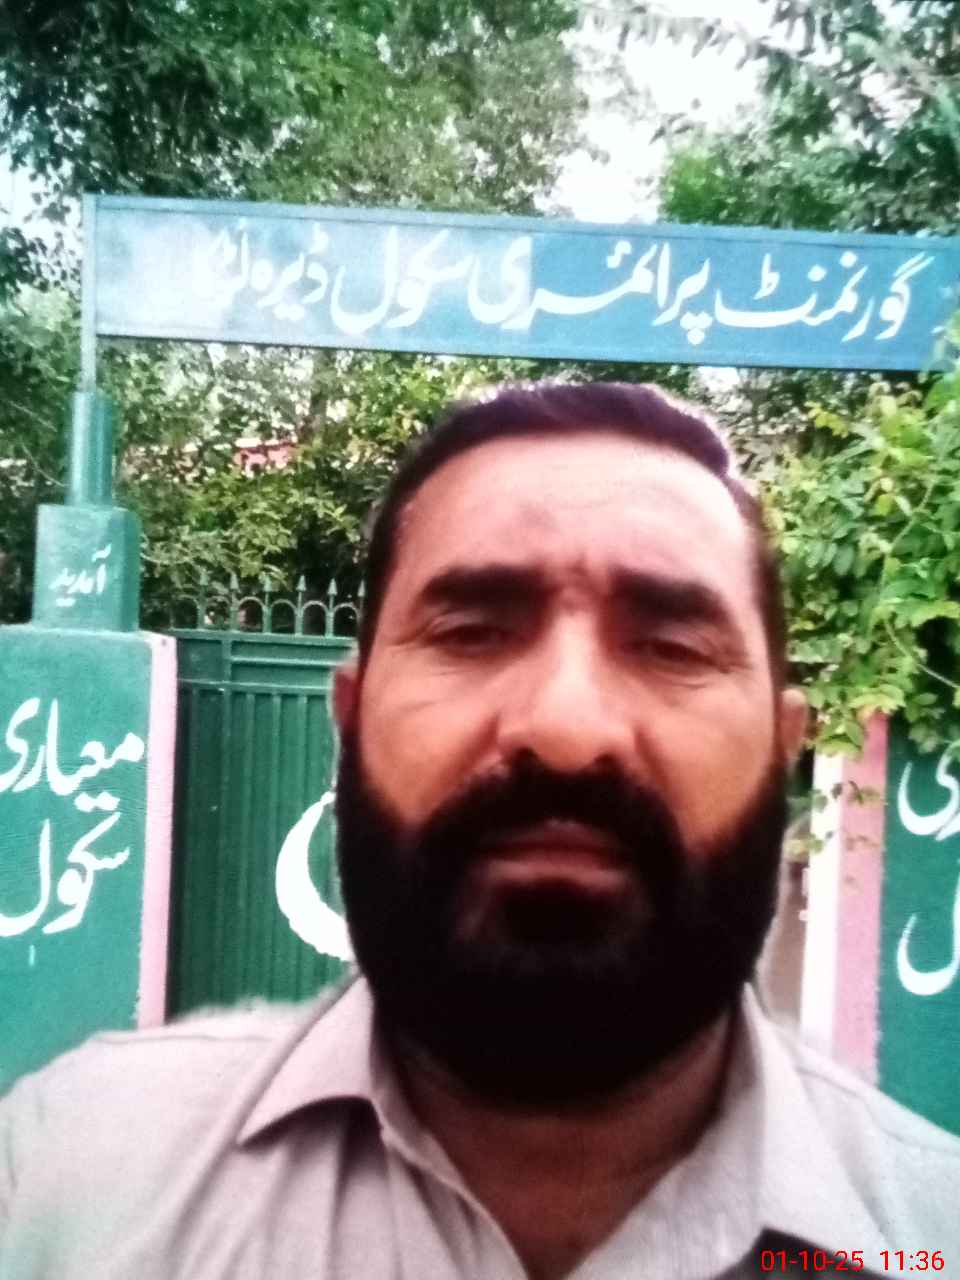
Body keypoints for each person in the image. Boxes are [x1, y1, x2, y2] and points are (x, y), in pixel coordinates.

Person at [1, 382, 958, 1280]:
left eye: (671, 646)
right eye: (471, 631)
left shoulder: (932, 1235)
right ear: (353, 718)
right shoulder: (63, 1189)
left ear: (784, 746)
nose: (567, 726)